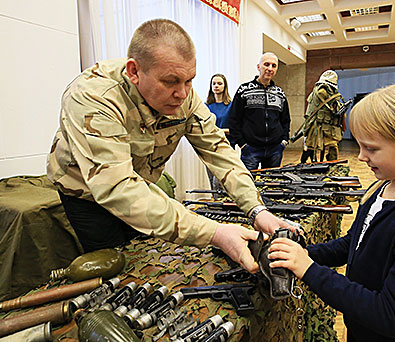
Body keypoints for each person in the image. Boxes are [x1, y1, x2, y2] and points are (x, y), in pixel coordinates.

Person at [47, 19, 289, 273]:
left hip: (140, 183)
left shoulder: (184, 94)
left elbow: (219, 151)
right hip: (86, 194)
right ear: (134, 72)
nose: (183, 94)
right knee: (116, 266)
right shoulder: (93, 97)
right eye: (171, 82)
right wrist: (215, 233)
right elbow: (117, 188)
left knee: (144, 253)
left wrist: (255, 208)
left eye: (189, 80)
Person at [268, 81, 395, 341]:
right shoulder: (384, 188)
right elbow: (355, 243)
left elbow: (391, 315)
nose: (360, 157)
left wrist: (310, 270)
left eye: (371, 148)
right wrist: (305, 254)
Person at [228, 52, 290, 170]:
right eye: (266, 64)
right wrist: (242, 144)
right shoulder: (244, 90)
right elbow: (234, 118)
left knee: (272, 185)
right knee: (248, 185)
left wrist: (284, 141)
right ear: (258, 67)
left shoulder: (280, 93)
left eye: (274, 66)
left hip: (275, 149)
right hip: (251, 149)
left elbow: (285, 119)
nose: (270, 69)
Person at [301, 70, 344, 163]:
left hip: (319, 126)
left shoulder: (315, 92)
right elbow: (334, 109)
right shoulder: (323, 92)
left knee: (311, 148)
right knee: (330, 150)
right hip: (321, 127)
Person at [205, 74, 233, 194]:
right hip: (209, 148)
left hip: (225, 147)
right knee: (212, 182)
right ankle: (216, 207)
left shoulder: (231, 106)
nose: (216, 86)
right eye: (214, 83)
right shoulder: (205, 106)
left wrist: (220, 131)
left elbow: (235, 128)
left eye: (219, 83)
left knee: (220, 181)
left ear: (225, 86)